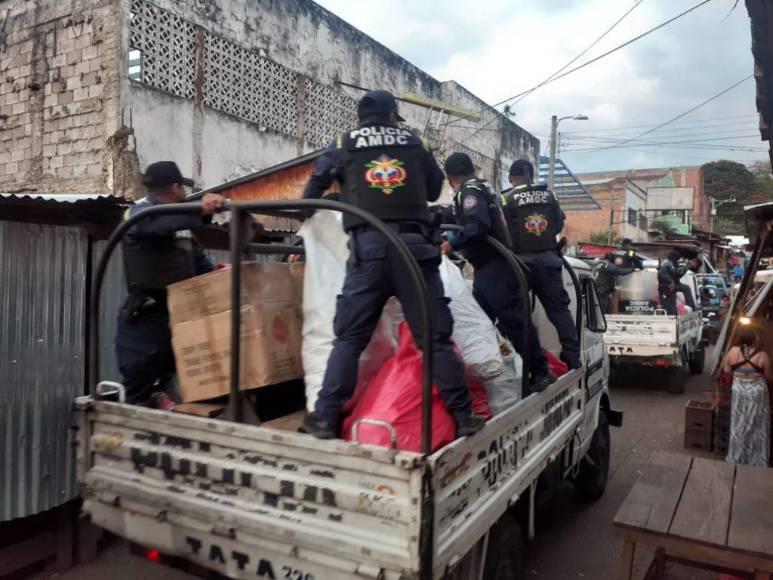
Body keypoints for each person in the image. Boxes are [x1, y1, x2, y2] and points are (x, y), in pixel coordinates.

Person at [301, 89, 484, 439]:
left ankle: (324, 418)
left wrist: (307, 215)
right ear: (391, 116)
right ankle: (462, 417)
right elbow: (432, 191)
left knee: (349, 340)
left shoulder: (344, 142)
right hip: (415, 252)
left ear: (361, 118)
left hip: (368, 253)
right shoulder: (416, 142)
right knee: (435, 339)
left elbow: (314, 187)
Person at [441, 152, 555, 394]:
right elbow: (454, 215)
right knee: (478, 320)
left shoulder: (469, 192)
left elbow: (477, 225)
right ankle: (498, 371)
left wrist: (452, 243)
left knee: (513, 321)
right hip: (488, 269)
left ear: (450, 178)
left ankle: (541, 370)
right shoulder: (481, 188)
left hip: (496, 268)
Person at [117, 161, 224, 408]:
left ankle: (163, 395)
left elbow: (199, 262)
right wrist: (199, 212)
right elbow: (156, 224)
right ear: (176, 188)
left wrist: (221, 280)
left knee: (181, 375)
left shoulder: (180, 224)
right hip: (147, 317)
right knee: (139, 383)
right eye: (183, 189)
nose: (184, 194)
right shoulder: (138, 213)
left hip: (179, 314)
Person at [501, 159, 581, 369]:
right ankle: (572, 356)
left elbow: (503, 230)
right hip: (548, 262)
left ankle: (522, 357)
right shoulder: (550, 195)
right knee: (559, 311)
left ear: (511, 177)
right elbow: (557, 225)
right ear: (532, 175)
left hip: (520, 264)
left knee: (515, 311)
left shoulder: (506, 198)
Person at [721, 327, 771, 466]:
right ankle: (757, 460)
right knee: (757, 424)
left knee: (738, 422)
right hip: (757, 392)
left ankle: (737, 457)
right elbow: (768, 376)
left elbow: (727, 370)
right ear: (755, 340)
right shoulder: (763, 355)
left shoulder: (732, 352)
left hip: (739, 390)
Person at [657, 250, 696, 315]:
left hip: (675, 283)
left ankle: (690, 306)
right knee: (671, 301)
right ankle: (689, 307)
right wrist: (670, 281)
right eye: (677, 258)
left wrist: (685, 267)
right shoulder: (666, 263)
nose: (678, 259)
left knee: (686, 288)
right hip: (666, 285)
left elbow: (677, 274)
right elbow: (661, 274)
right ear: (674, 257)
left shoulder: (673, 263)